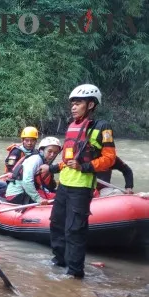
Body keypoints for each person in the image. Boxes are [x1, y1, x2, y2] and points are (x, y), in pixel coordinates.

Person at [43, 84, 116, 279]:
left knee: (74, 230)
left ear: (91, 104)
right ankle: (59, 262)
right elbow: (68, 160)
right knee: (56, 225)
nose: (73, 107)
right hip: (64, 185)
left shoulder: (102, 127)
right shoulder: (72, 126)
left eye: (79, 103)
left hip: (81, 188)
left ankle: (74, 273)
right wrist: (52, 168)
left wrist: (84, 167)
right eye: (72, 103)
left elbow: (110, 159)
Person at [5, 137, 61, 205]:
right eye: (50, 151)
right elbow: (26, 181)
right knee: (57, 201)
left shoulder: (44, 161)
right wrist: (38, 199)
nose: (52, 155)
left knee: (57, 197)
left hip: (26, 191)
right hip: (17, 195)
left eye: (55, 153)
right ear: (42, 150)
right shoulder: (35, 160)